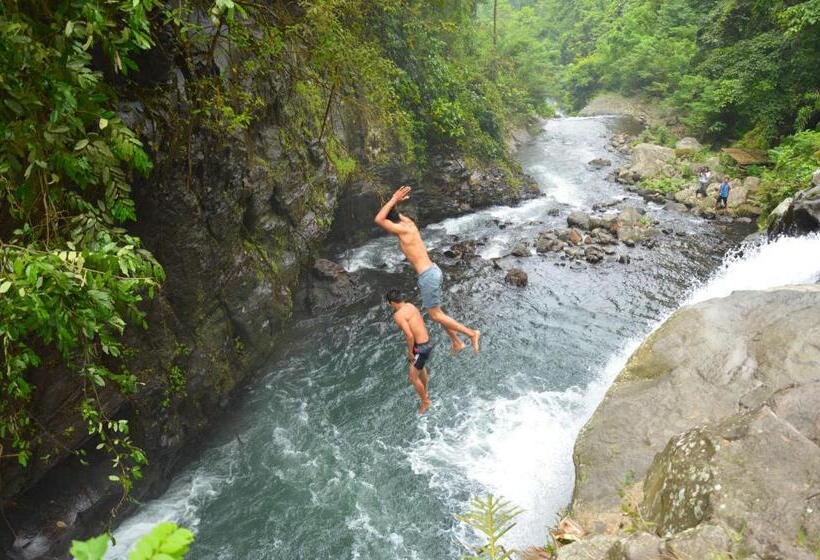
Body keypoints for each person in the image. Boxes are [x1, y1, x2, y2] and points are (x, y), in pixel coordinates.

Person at [374, 186, 480, 354]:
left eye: (388, 225)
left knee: (435, 315)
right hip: (431, 271)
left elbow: (379, 219)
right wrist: (394, 204)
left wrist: (394, 199)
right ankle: (457, 342)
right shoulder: (408, 223)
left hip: (428, 276)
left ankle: (472, 334)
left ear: (391, 223)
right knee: (438, 313)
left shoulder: (402, 229)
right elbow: (391, 215)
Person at [386, 289, 433, 414]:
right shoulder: (410, 306)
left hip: (420, 348)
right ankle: (425, 392)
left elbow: (409, 335)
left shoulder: (398, 315)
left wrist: (410, 352)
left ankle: (425, 402)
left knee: (412, 377)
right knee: (420, 368)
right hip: (427, 342)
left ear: (391, 303)